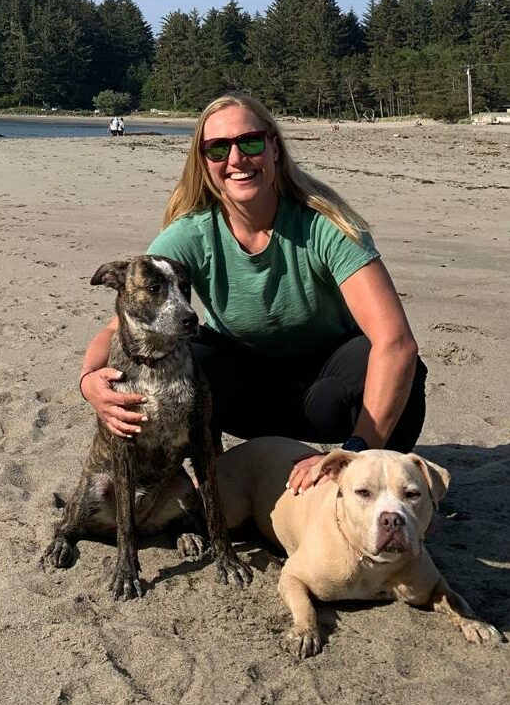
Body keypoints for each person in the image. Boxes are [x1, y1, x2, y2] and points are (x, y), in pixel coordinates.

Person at [78, 93, 427, 494]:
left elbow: (396, 342)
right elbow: (117, 329)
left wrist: (354, 451)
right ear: (204, 163)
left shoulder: (326, 226)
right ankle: (212, 473)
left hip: (327, 389)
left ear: (274, 147)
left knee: (397, 367)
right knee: (186, 357)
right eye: (218, 149)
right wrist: (90, 382)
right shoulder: (192, 234)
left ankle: (374, 480)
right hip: (242, 390)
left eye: (250, 142)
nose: (237, 159)